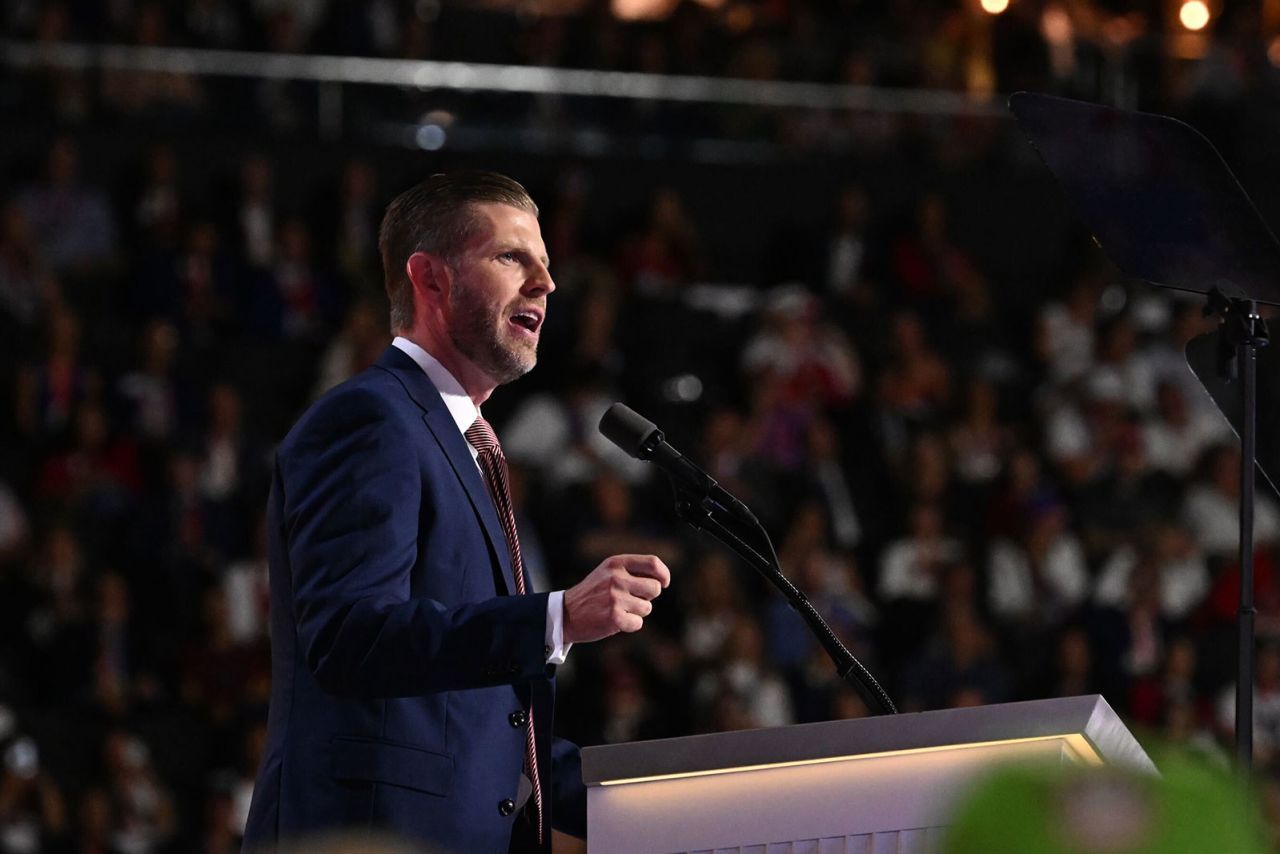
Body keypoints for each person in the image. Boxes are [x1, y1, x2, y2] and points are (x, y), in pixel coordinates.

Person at [242, 172, 672, 853]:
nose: (546, 285)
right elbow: (350, 636)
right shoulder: (370, 418)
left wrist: (669, 804)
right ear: (430, 279)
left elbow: (479, 724)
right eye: (512, 258)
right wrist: (556, 617)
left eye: (547, 265)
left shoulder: (469, 450)